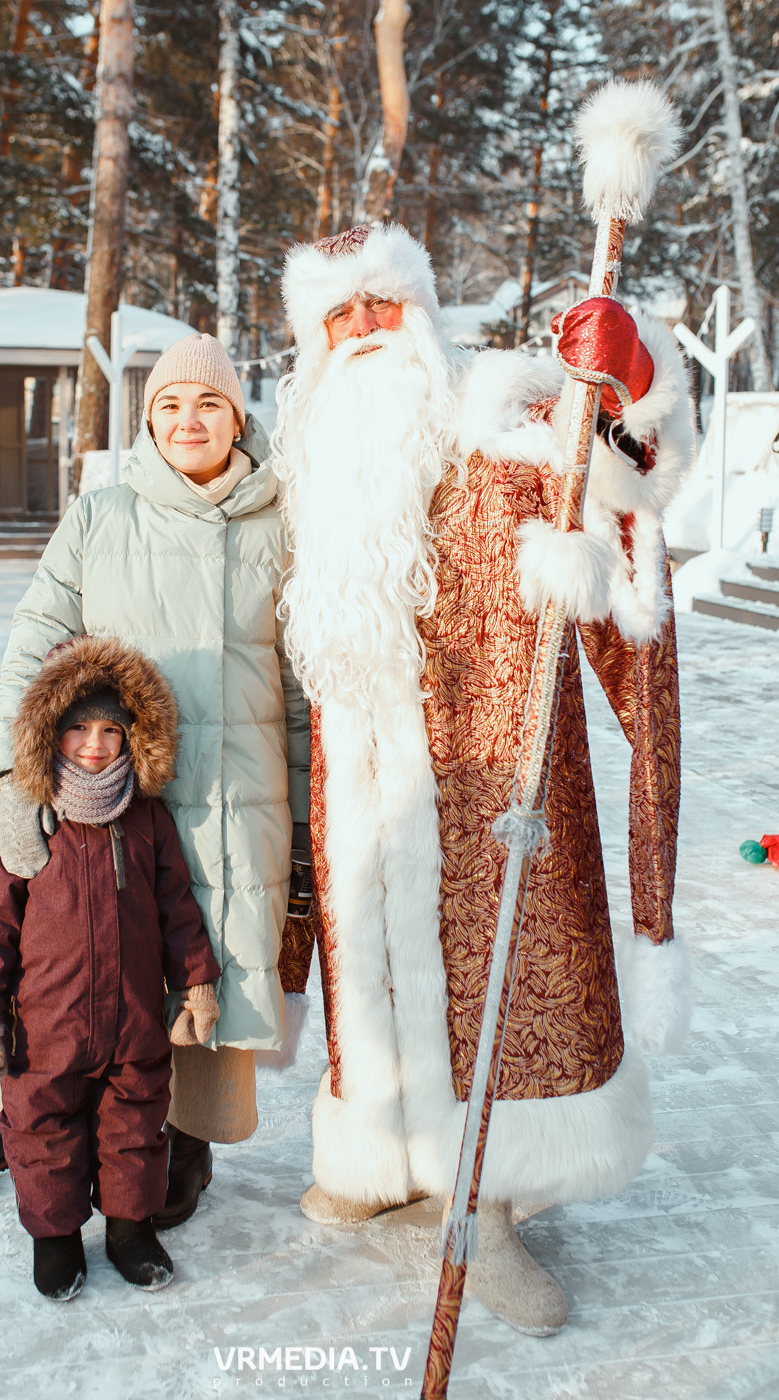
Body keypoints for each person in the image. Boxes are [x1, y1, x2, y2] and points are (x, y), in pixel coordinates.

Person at [271, 223, 695, 1335]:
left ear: (419, 312)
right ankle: (383, 1157)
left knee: (496, 988)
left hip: (498, 790)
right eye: (338, 314)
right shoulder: (313, 465)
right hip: (363, 781)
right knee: (375, 974)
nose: (363, 328)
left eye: (381, 302)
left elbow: (624, 470)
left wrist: (630, 378)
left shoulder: (503, 427)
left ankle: (490, 1199)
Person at [0, 333, 310, 1228]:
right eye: (169, 405)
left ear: (238, 417)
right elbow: (33, 643)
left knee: (204, 970)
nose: (188, 420)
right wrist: (14, 777)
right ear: (148, 421)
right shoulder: (101, 517)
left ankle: (183, 1143)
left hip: (235, 806)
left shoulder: (283, 524)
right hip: (110, 796)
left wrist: (309, 825)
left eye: (207, 403)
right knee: (53, 967)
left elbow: (297, 690)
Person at [0, 636, 221, 1299]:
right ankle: (56, 1236)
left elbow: (175, 906)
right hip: (47, 1021)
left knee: (135, 1120)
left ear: (133, 736)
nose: (95, 745)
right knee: (42, 1125)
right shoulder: (24, 820)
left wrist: (195, 982)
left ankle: (130, 1228)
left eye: (110, 730)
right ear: (51, 731)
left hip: (133, 1014)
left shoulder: (145, 816)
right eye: (79, 728)